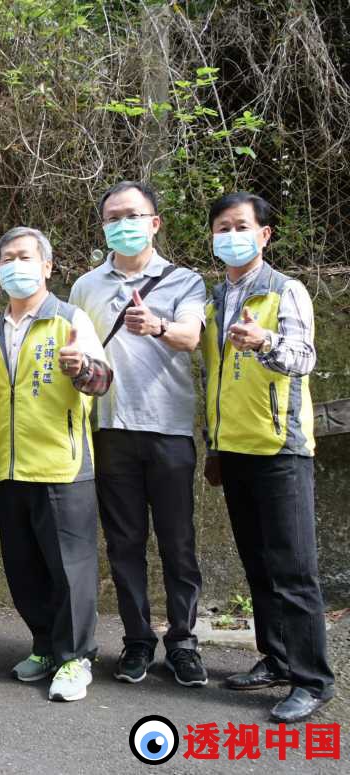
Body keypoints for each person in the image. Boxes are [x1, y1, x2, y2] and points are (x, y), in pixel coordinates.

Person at [201, 192, 335, 723]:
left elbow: (304, 358)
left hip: (281, 449)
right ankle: (276, 659)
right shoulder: (215, 299)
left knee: (294, 569)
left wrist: (263, 342)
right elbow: (213, 380)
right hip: (233, 449)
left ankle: (312, 679)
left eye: (240, 226)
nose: (229, 235)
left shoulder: (287, 290)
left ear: (264, 235)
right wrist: (213, 446)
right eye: (220, 227)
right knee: (258, 565)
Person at [68, 181, 208, 688]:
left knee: (178, 543)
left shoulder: (185, 281)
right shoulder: (85, 286)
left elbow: (192, 337)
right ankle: (137, 640)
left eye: (132, 215)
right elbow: (78, 350)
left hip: (169, 429)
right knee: (124, 543)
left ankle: (184, 642)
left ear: (154, 222)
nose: (121, 225)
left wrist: (158, 326)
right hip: (108, 430)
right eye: (112, 218)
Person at [0, 226, 112, 702]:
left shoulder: (70, 320)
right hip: (9, 468)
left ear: (47, 267)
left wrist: (82, 367)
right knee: (23, 567)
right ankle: (44, 646)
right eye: (7, 259)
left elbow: (102, 381)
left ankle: (76, 657)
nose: (15, 266)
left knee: (71, 568)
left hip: (62, 466)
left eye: (25, 257)